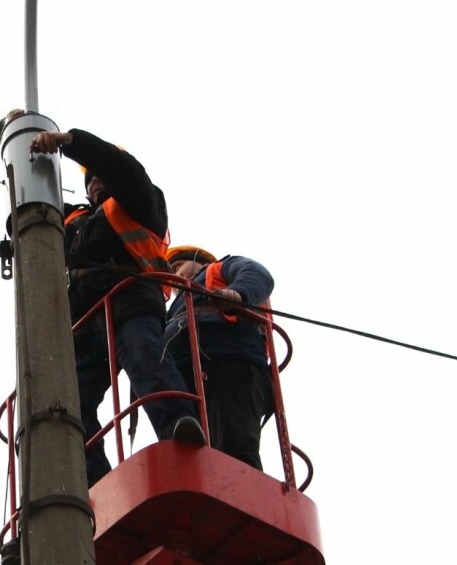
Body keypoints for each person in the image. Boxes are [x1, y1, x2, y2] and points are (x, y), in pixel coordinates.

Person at [27, 126, 203, 485]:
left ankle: (178, 427)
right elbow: (31, 215)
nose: (94, 184)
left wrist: (69, 141)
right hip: (86, 322)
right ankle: (92, 476)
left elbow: (124, 169)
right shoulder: (74, 222)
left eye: (98, 176)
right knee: (70, 398)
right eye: (89, 180)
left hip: (131, 300)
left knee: (145, 358)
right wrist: (21, 146)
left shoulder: (139, 201)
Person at [163, 245, 275, 470]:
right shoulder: (176, 306)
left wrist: (237, 294)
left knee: (235, 446)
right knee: (196, 457)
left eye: (178, 267)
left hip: (231, 361)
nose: (175, 277)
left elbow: (258, 274)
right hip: (187, 375)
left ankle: (243, 500)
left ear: (198, 260)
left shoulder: (218, 270)